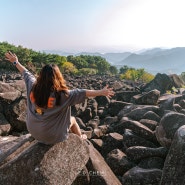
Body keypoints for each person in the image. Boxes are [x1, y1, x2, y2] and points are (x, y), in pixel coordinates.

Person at [4, 51, 115, 144]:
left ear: (41, 75)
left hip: (33, 130)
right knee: (73, 120)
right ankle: (81, 138)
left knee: (41, 112)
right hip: (52, 136)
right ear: (58, 77)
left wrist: (15, 62)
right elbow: (84, 93)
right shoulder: (64, 95)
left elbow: (26, 72)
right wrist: (101, 92)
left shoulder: (32, 86)